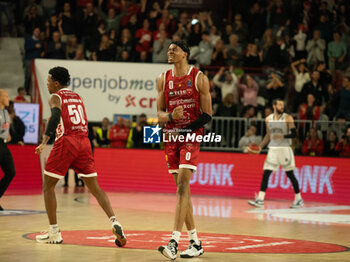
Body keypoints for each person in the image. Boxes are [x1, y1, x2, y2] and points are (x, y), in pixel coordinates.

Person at [34, 67, 126, 246]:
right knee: (95, 187)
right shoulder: (78, 97)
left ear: (56, 83)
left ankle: (54, 232)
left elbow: (55, 117)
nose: (46, 83)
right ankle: (114, 221)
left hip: (67, 141)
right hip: (84, 142)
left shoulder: (56, 97)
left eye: (49, 80)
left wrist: (45, 140)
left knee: (48, 186)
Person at [157, 41, 212, 259]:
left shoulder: (199, 78)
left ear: (185, 54)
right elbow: (159, 114)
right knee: (183, 191)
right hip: (170, 137)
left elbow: (207, 114)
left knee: (182, 186)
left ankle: (173, 242)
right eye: (169, 50)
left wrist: (185, 129)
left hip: (190, 135)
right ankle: (195, 242)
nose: (170, 52)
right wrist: (171, 117)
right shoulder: (163, 78)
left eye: (174, 49)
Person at [248, 99, 304, 209]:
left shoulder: (287, 118)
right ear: (274, 106)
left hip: (284, 149)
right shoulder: (268, 119)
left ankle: (299, 198)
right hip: (273, 149)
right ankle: (260, 199)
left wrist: (282, 136)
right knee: (266, 173)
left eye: (282, 105)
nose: (282, 107)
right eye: (279, 105)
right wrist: (261, 146)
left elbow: (294, 134)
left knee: (290, 174)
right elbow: (268, 135)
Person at [0, 90, 15, 211]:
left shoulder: (6, 112)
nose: (8, 98)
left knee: (11, 172)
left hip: (4, 145)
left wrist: (7, 135)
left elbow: (6, 129)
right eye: (6, 96)